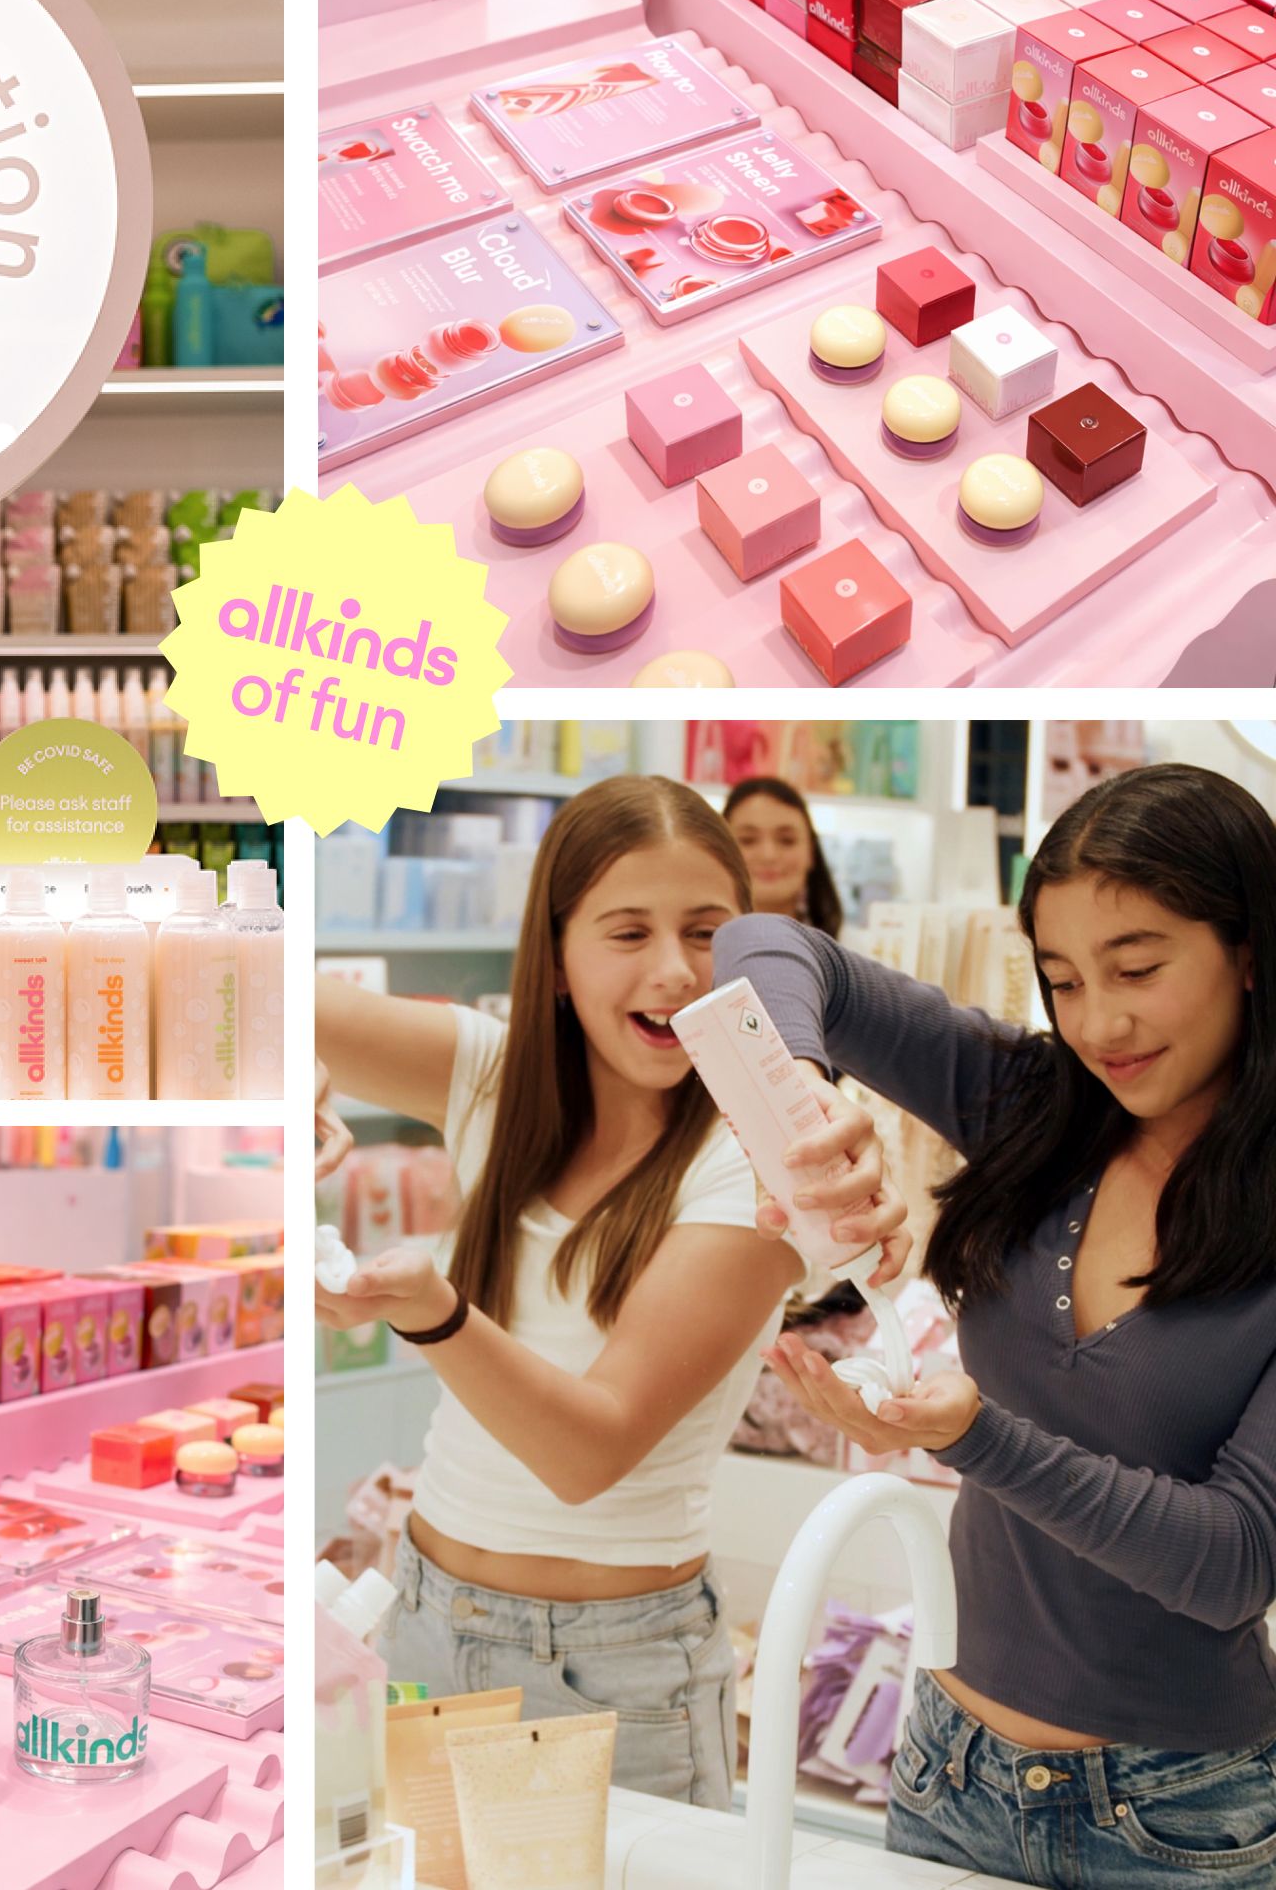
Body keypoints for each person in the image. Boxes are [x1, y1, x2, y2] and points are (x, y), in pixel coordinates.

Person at [718, 762, 1276, 1887]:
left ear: (1250, 950)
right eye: (1062, 980)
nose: (1097, 1023)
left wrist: (976, 1438)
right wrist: (811, 1095)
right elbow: (760, 950)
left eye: (1138, 968)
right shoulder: (1037, 1105)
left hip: (1183, 1816)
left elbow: (1234, 1563)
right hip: (948, 1770)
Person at [314, 774, 906, 1804]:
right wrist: (287, 1079)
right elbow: (264, 993)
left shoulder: (761, 1163)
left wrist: (434, 1313)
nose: (675, 971)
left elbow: (589, 1448)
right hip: (425, 1616)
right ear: (557, 959)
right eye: (627, 932)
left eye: (707, 932)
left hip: (612, 1672)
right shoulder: (492, 1082)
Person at [724, 776, 845, 938]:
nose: (769, 855)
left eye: (787, 841)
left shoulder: (850, 952)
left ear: (811, 852)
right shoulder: (691, 951)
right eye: (748, 840)